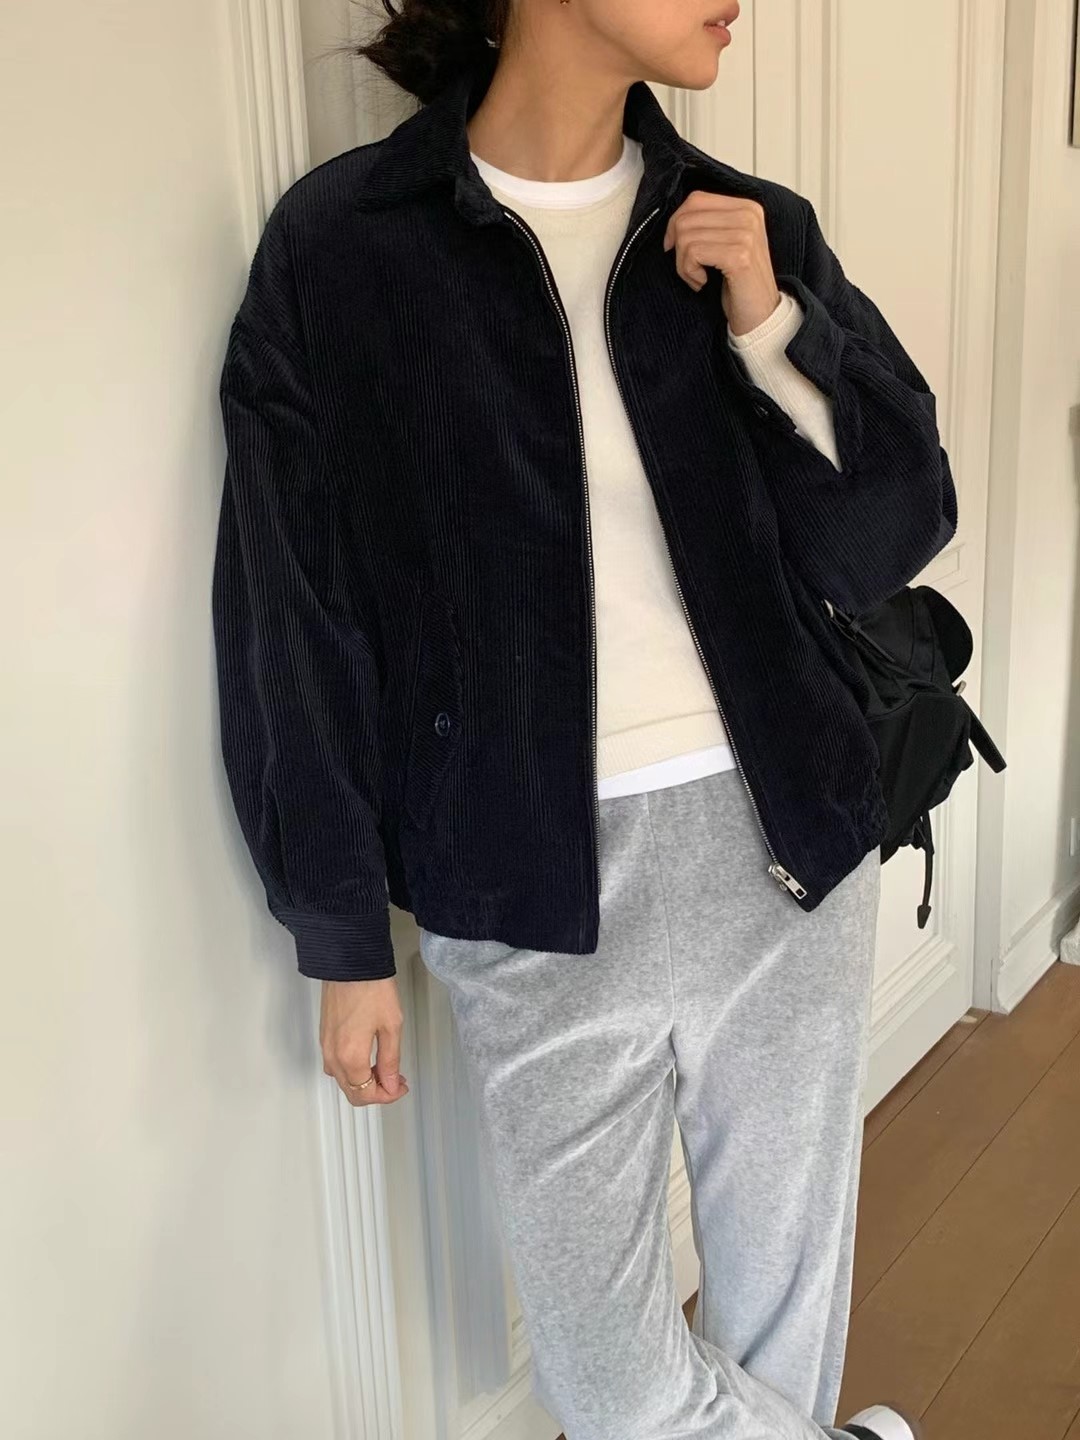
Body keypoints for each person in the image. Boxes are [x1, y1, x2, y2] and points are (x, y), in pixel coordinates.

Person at [212, 2, 954, 1437]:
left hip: (783, 841)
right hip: (524, 881)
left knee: (781, 1328)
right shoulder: (345, 249)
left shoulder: (748, 228)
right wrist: (342, 931)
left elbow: (889, 532)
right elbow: (291, 610)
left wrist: (772, 328)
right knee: (613, 1387)